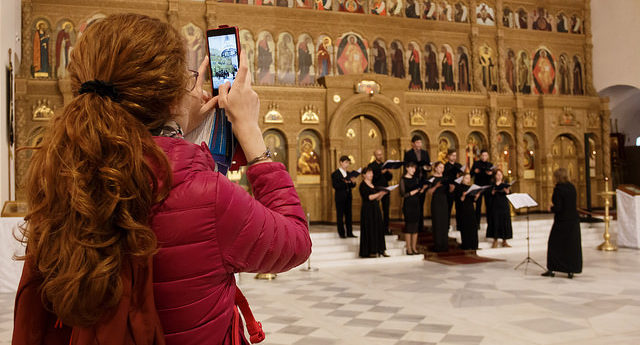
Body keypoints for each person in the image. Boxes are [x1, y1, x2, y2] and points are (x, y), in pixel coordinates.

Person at [13, 13, 312, 345]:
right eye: (186, 76)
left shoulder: (63, 175)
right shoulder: (207, 195)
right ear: (170, 99)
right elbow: (295, 242)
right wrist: (252, 135)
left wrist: (179, 126)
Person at [542, 168, 583, 279]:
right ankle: (571, 270)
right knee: (571, 246)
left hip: (562, 221)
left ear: (557, 177)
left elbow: (559, 208)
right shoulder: (572, 187)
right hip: (573, 221)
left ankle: (552, 269)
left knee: (553, 244)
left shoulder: (558, 189)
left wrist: (551, 208)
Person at [359, 167, 390, 258]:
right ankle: (371, 251)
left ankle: (381, 249)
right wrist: (379, 193)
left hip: (375, 208)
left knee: (378, 228)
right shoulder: (362, 185)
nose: (371, 175)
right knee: (370, 229)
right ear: (364, 175)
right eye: (369, 173)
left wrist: (382, 194)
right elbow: (369, 197)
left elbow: (376, 198)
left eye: (372, 173)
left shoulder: (373, 184)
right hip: (367, 210)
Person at [404, 135, 431, 232]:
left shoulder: (425, 153)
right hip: (413, 180)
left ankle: (421, 226)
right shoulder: (408, 154)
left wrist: (427, 168)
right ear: (413, 143)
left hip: (422, 180)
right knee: (414, 204)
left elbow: (429, 166)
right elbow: (405, 166)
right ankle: (413, 225)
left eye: (420, 142)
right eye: (418, 143)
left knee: (421, 203)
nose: (420, 144)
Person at [399, 161, 428, 255]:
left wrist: (422, 189)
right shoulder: (403, 179)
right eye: (411, 168)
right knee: (409, 226)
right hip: (408, 204)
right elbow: (402, 194)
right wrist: (412, 192)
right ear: (407, 168)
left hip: (416, 203)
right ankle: (409, 248)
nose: (413, 170)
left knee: (415, 227)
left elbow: (419, 192)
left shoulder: (416, 179)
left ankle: (414, 247)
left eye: (414, 168)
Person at [368, 149, 393, 235]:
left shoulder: (384, 165)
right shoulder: (371, 166)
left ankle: (386, 229)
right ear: (375, 155)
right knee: (376, 210)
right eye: (378, 155)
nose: (380, 156)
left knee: (386, 210)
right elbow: (372, 178)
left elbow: (389, 178)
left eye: (381, 154)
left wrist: (389, 172)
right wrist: (381, 172)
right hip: (376, 190)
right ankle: (376, 229)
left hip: (385, 190)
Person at [332, 155, 357, 238]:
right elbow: (335, 185)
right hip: (340, 197)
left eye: (348, 163)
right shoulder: (335, 174)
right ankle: (341, 233)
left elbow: (352, 186)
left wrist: (353, 182)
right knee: (340, 215)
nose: (347, 164)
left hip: (348, 196)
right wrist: (345, 182)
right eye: (346, 162)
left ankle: (350, 232)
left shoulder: (349, 173)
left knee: (349, 215)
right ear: (341, 162)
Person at [486, 169, 513, 248]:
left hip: (504, 205)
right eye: (497, 175)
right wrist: (492, 193)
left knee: (505, 222)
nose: (499, 176)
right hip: (495, 206)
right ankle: (495, 240)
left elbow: (509, 194)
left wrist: (507, 192)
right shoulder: (492, 185)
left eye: (500, 174)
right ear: (495, 176)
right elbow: (488, 196)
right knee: (496, 222)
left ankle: (504, 241)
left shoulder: (505, 184)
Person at [428, 162, 450, 252]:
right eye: (440, 167)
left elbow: (449, 191)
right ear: (436, 168)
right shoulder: (431, 178)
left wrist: (451, 187)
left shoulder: (445, 178)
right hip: (436, 201)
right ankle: (438, 245)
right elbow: (429, 192)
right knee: (437, 222)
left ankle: (445, 245)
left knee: (444, 222)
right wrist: (436, 186)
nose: (442, 169)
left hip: (444, 200)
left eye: (443, 167)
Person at [455, 174, 480, 250]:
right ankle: (466, 245)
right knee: (465, 228)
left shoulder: (470, 188)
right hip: (462, 210)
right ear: (462, 179)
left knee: (473, 227)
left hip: (471, 209)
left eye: (469, 178)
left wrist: (476, 197)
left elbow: (473, 201)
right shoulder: (458, 187)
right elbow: (459, 201)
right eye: (466, 178)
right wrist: (463, 196)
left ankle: (474, 245)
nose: (468, 180)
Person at [470, 149, 494, 228]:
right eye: (483, 155)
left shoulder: (490, 164)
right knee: (478, 206)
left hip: (487, 187)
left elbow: (493, 177)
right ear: (480, 156)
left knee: (489, 206)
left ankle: (490, 223)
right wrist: (475, 171)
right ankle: (477, 224)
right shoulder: (476, 163)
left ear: (488, 156)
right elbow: (471, 174)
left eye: (485, 155)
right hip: (478, 187)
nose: (484, 157)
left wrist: (490, 174)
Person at [443, 149, 462, 227]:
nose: (454, 157)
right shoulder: (445, 166)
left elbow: (463, 175)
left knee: (459, 208)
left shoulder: (458, 165)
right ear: (448, 156)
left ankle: (459, 225)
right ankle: (447, 225)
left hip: (458, 188)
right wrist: (450, 184)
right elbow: (444, 178)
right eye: (453, 155)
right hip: (449, 189)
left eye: (455, 156)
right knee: (448, 208)